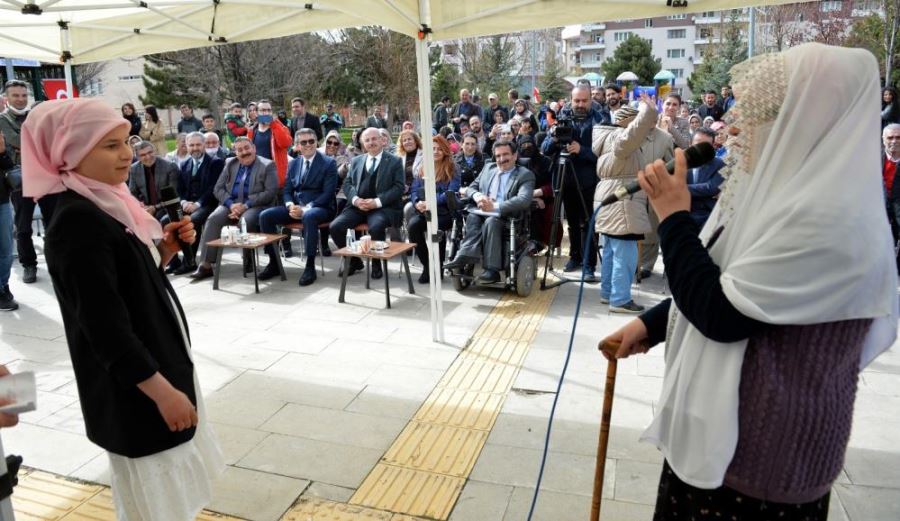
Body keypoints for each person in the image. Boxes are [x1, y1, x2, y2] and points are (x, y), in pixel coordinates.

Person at [601, 43, 897, 521]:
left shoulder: (831, 220)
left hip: (761, 466)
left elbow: (725, 315)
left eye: (758, 113)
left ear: (807, 120)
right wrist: (655, 324)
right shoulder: (786, 194)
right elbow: (736, 278)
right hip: (724, 447)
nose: (735, 127)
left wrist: (673, 219)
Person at [22, 98, 223, 520]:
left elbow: (128, 283)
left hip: (153, 369)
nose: (127, 154)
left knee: (172, 497)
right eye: (108, 146)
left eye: (125, 141)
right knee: (156, 502)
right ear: (70, 152)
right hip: (137, 390)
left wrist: (165, 249)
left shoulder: (107, 203)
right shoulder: (77, 221)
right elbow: (104, 328)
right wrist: (163, 392)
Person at [592, 96, 657, 313]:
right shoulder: (620, 137)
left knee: (611, 249)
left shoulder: (606, 138)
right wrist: (645, 112)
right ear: (628, 122)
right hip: (623, 200)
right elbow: (631, 136)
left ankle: (608, 292)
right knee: (625, 252)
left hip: (611, 196)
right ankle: (620, 299)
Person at [444, 140, 535, 283]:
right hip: (482, 211)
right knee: (472, 217)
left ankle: (492, 271)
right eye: (498, 156)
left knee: (491, 222)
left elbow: (524, 200)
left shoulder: (525, 175)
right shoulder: (488, 168)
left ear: (515, 155)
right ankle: (465, 255)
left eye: (506, 155)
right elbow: (472, 187)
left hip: (506, 216)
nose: (501, 159)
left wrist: (495, 206)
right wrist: (478, 196)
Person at [190, 137, 278, 280]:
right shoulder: (230, 163)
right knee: (213, 219)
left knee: (246, 220)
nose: (244, 152)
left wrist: (245, 206)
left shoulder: (267, 165)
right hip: (232, 203)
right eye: (240, 150)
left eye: (247, 148)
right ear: (235, 152)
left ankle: (248, 259)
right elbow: (218, 188)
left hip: (256, 205)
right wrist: (231, 204)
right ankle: (205, 265)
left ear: (254, 148)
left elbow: (270, 192)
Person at [541, 85, 606, 280]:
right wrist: (553, 137)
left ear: (590, 100)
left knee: (588, 223)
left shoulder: (600, 119)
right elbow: (545, 149)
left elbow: (606, 155)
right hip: (564, 177)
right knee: (571, 222)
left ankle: (588, 265)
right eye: (576, 100)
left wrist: (582, 150)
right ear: (571, 99)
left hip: (588, 180)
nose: (580, 105)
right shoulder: (561, 116)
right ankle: (575, 257)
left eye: (584, 101)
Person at [258, 128, 337, 286]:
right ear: (297, 146)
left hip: (321, 207)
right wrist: (290, 205)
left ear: (316, 143)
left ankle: (310, 266)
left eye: (311, 141)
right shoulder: (293, 164)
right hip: (296, 207)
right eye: (303, 142)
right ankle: (274, 262)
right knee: (265, 215)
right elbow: (287, 190)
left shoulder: (329, 163)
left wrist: (306, 208)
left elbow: (328, 193)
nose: (308, 145)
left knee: (309, 216)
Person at [328, 127, 404, 280]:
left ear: (382, 140)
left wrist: (376, 202)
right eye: (367, 140)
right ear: (363, 143)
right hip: (358, 206)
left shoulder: (394, 161)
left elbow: (398, 187)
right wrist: (356, 200)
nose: (371, 142)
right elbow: (348, 183)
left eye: (374, 139)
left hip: (382, 208)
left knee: (376, 227)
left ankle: (376, 263)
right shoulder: (356, 161)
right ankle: (354, 261)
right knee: (335, 227)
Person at [2, 79, 57, 285]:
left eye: (24, 95)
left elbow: (51, 141)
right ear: (6, 98)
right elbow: (18, 141)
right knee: (23, 227)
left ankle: (55, 260)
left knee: (53, 222)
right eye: (16, 95)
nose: (20, 99)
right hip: (21, 180)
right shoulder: (2, 120)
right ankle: (29, 265)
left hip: (46, 176)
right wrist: (32, 141)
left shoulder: (37, 115)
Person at [407, 135, 460, 284]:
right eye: (433, 149)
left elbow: (451, 193)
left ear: (445, 150)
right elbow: (414, 190)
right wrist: (417, 202)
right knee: (413, 226)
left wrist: (430, 202)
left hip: (445, 211)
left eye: (439, 149)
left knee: (436, 228)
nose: (436, 152)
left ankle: (439, 267)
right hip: (424, 209)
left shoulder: (453, 167)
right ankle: (428, 266)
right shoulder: (423, 167)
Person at [173, 132, 224, 274]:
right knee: (168, 219)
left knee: (192, 220)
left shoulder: (216, 162)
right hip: (187, 204)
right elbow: (180, 188)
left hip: (208, 204)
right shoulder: (184, 164)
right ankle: (173, 261)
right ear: (187, 147)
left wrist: (197, 204)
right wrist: (183, 202)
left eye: (198, 145)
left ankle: (189, 262)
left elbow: (213, 188)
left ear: (204, 145)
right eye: (191, 145)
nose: (195, 148)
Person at [128, 142, 180, 221]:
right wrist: (142, 207)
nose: (148, 157)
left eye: (150, 152)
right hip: (145, 206)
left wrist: (155, 207)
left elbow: (173, 195)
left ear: (155, 151)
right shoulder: (134, 169)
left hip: (166, 206)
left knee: (158, 218)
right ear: (137, 157)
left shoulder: (170, 166)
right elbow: (132, 193)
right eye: (143, 155)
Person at [685, 127, 725, 228]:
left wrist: (681, 188)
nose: (700, 149)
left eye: (705, 146)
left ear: (712, 147)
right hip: (683, 212)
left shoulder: (720, 164)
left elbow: (711, 188)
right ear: (690, 144)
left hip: (707, 215)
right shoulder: (680, 162)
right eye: (698, 144)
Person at [247, 100, 292, 187]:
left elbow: (285, 144)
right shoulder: (251, 131)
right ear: (256, 113)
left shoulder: (280, 127)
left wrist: (273, 124)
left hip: (275, 178)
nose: (266, 113)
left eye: (269, 110)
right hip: (257, 177)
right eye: (263, 110)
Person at [0, 127, 16, 309]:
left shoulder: (1, 136)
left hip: (2, 201)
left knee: (6, 249)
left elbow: (10, 167)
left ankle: (4, 285)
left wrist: (3, 151)